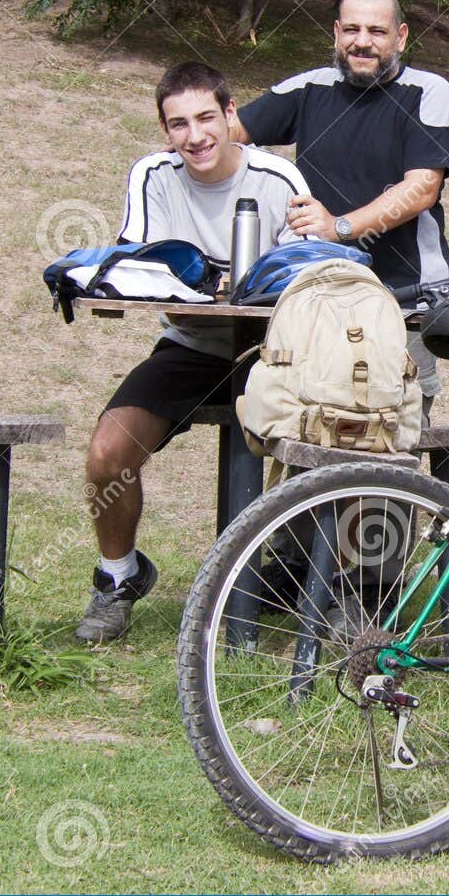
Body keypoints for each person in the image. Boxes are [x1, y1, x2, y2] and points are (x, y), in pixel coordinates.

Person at [76, 61, 306, 644]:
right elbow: (138, 272)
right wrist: (209, 289)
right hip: (191, 345)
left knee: (323, 445)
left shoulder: (277, 178)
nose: (195, 135)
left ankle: (307, 580)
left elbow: (305, 275)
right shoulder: (153, 176)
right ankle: (118, 577)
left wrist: (223, 286)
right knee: (107, 452)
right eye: (178, 124)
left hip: (272, 352)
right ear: (164, 131)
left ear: (231, 115)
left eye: (207, 117)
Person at [233, 0, 449, 414]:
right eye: (352, 29)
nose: (362, 42)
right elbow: (229, 133)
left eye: (376, 31)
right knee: (314, 415)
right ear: (336, 33)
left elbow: (422, 188)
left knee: (400, 423)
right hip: (319, 293)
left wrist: (338, 228)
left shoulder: (428, 90)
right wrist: (189, 136)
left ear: (401, 37)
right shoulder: (309, 87)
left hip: (406, 293)